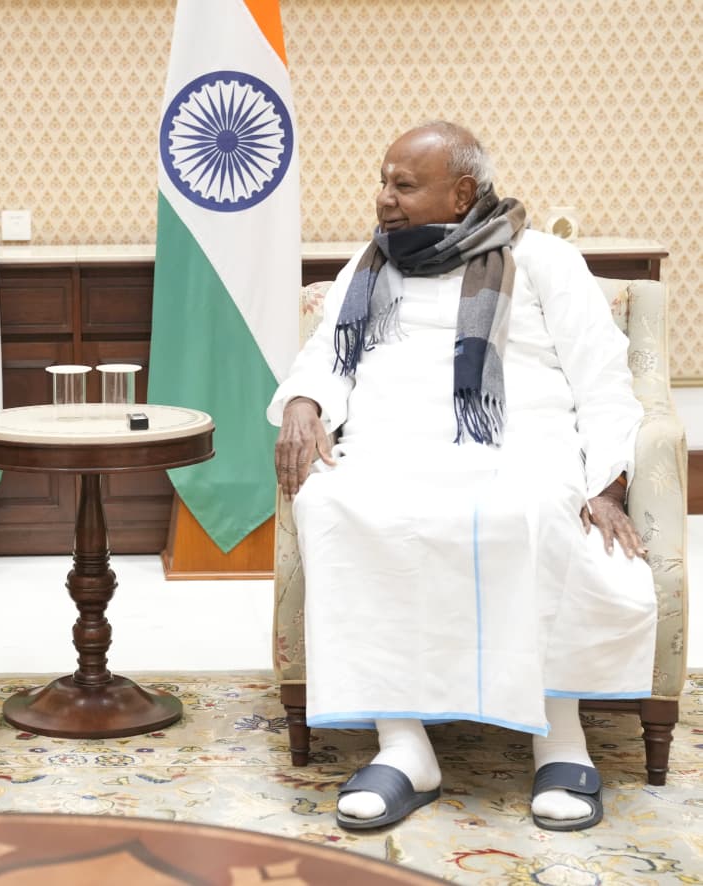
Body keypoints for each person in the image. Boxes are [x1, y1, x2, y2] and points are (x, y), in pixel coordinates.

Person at [269, 121, 656, 832]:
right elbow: (326, 357)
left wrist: (606, 485)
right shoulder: (371, 262)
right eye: (383, 181)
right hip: (390, 448)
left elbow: (602, 378)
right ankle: (403, 747)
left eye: (403, 185)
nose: (384, 198)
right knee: (331, 503)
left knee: (535, 509)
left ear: (462, 192)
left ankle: (559, 740)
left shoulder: (541, 259)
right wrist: (303, 403)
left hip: (515, 446)